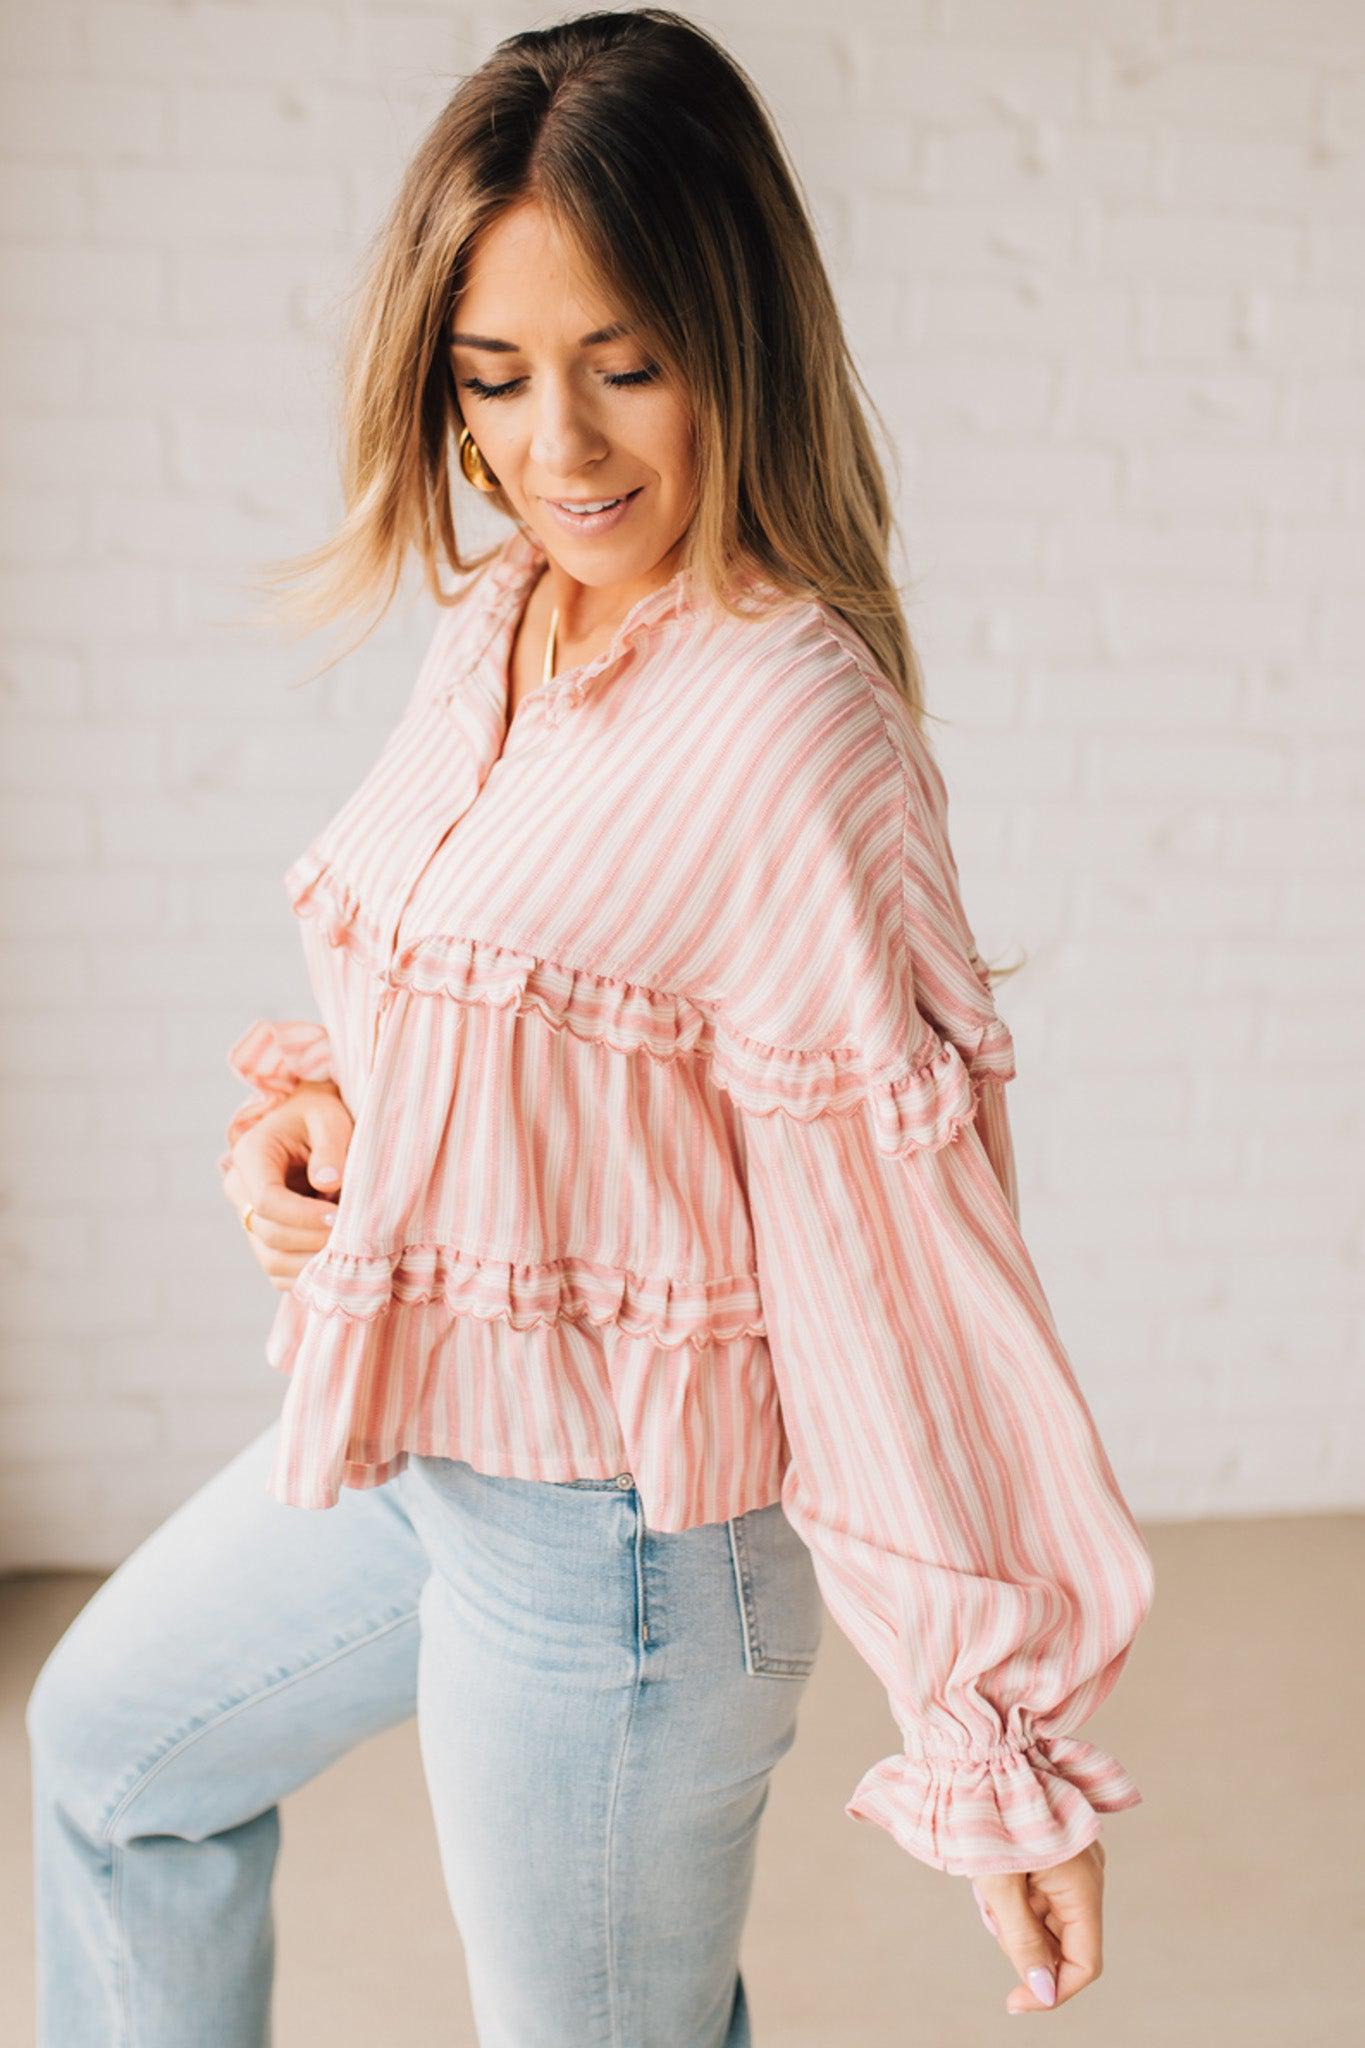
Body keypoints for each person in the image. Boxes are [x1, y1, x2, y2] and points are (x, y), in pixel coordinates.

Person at [25, 10, 1155, 2044]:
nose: (558, 449)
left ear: (737, 329)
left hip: (624, 1550)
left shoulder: (790, 730)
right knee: (112, 1762)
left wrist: (992, 1747)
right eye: (496, 379)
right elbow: (505, 1038)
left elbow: (895, 1274)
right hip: (414, 1441)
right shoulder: (509, 620)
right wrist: (337, 1143)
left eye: (623, 365)